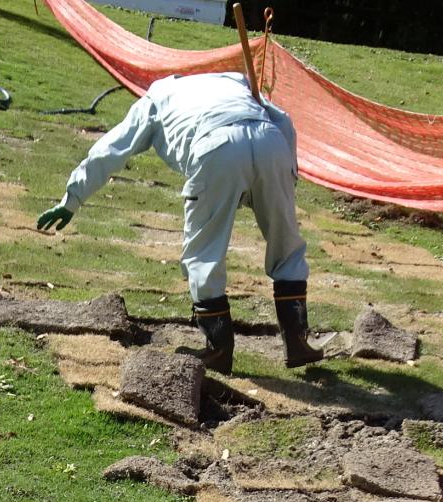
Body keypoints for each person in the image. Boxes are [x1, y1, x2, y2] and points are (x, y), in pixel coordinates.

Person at [35, 70, 322, 374]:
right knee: (286, 244)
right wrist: (286, 174)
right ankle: (297, 342)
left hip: (216, 146)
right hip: (271, 142)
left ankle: (218, 349)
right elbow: (284, 121)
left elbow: (112, 149)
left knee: (203, 253)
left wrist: (72, 198)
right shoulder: (234, 80)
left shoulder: (156, 98)